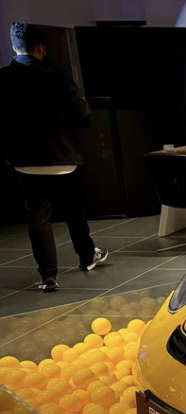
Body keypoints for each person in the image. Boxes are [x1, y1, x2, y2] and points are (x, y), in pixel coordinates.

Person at [0, 23, 107, 293]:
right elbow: (84, 118)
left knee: (38, 216)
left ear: (14, 47)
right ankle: (86, 257)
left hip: (25, 161)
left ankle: (48, 276)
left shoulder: (3, 79)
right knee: (74, 211)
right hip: (63, 158)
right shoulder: (58, 78)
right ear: (40, 47)